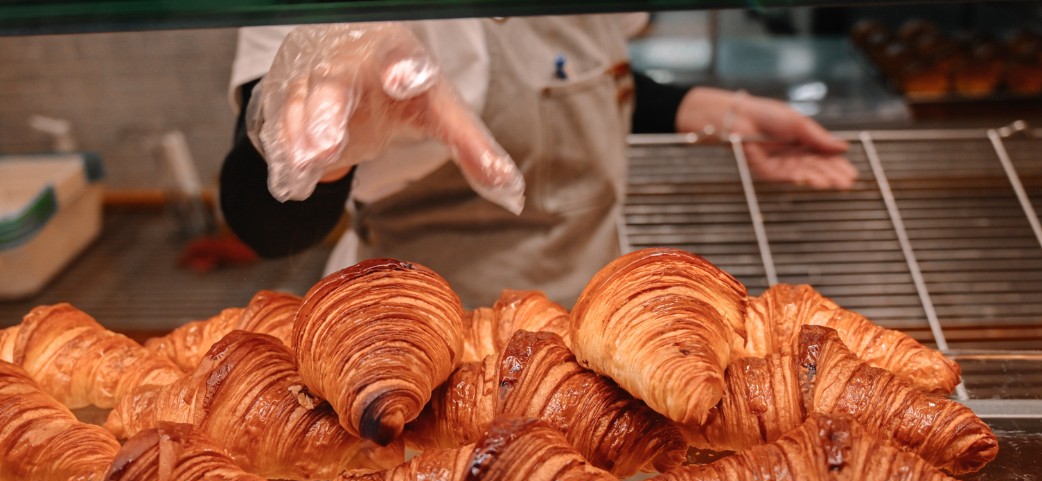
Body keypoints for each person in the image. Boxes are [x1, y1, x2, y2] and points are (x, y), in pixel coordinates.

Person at [220, 15, 857, 308]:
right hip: (432, 379)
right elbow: (264, 220)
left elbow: (576, 72)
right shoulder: (340, 27)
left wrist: (712, 110)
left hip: (598, 360)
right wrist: (328, 147)